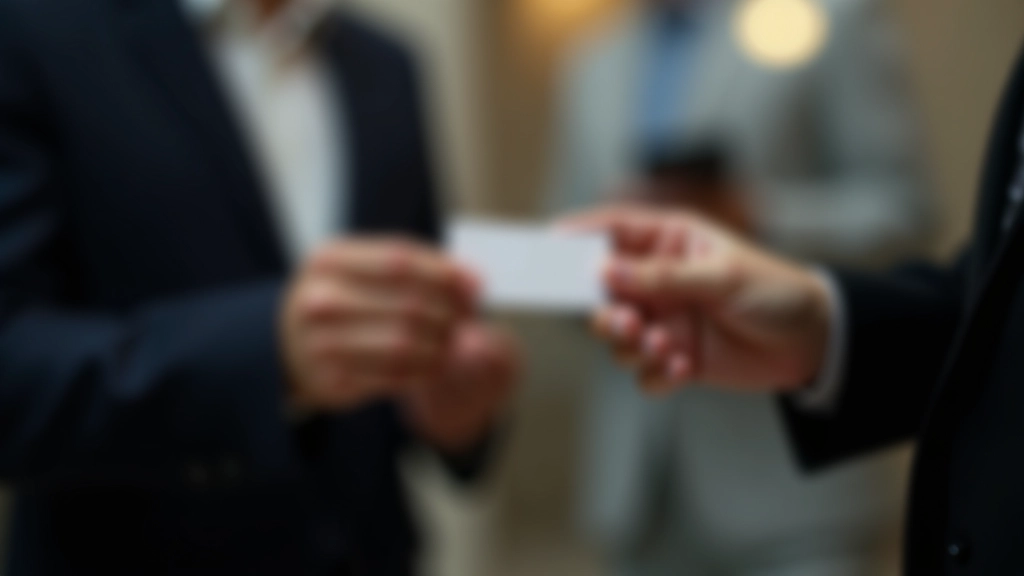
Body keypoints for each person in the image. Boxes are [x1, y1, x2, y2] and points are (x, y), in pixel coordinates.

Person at [0, 0, 517, 574]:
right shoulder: (33, 30)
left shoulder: (387, 65)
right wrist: (267, 355)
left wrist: (453, 416)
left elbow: (408, 331)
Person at [570, 41, 1024, 575]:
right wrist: (822, 324)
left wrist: (757, 214)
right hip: (642, 495)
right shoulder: (591, 63)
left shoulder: (830, 18)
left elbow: (904, 209)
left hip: (791, 503)